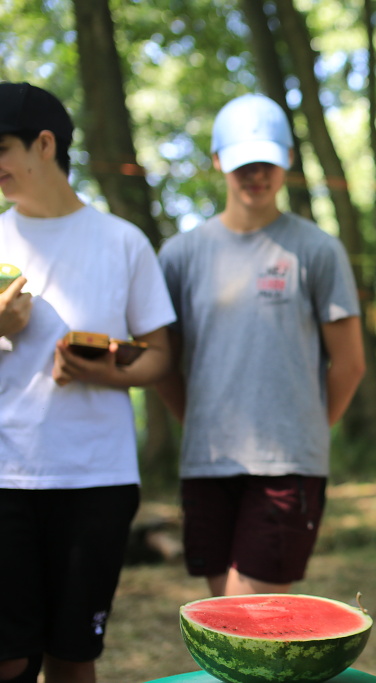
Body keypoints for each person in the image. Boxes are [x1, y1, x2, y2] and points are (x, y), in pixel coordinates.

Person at [156, 93, 365, 597]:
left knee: (246, 612)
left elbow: (350, 363)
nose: (256, 175)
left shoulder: (317, 249)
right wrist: (200, 421)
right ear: (217, 163)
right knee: (226, 618)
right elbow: (163, 363)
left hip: (287, 463)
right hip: (207, 461)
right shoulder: (180, 255)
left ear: (288, 160)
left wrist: (304, 428)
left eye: (267, 162)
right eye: (243, 164)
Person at [0, 82, 175, 683]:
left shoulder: (122, 242)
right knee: (10, 659)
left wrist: (102, 372)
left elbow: (159, 359)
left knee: (74, 657)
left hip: (96, 481)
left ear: (44, 144)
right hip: (4, 478)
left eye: (0, 147)